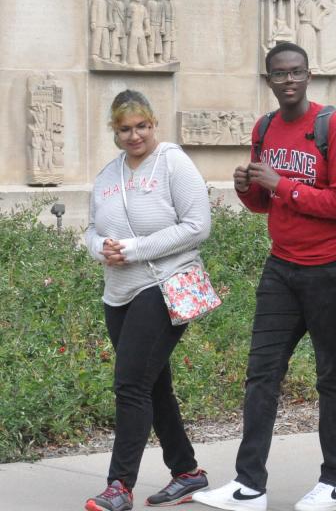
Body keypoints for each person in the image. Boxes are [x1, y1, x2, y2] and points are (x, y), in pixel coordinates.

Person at [194, 42, 336, 511]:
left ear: (310, 76)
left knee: (333, 376)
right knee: (261, 374)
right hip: (283, 266)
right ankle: (249, 484)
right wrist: (248, 189)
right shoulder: (265, 128)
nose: (288, 80)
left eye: (296, 73)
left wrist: (282, 185)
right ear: (268, 80)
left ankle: (335, 482)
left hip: (335, 267)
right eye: (279, 74)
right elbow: (264, 205)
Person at [84, 90, 212, 511]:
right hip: (118, 292)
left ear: (153, 124)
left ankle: (119, 487)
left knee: (130, 386)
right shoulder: (107, 175)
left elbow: (197, 226)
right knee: (153, 385)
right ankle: (187, 473)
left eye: (141, 126)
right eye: (125, 129)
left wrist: (134, 248)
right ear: (115, 132)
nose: (134, 135)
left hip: (165, 285)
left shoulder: (174, 163)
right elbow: (89, 230)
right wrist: (101, 246)